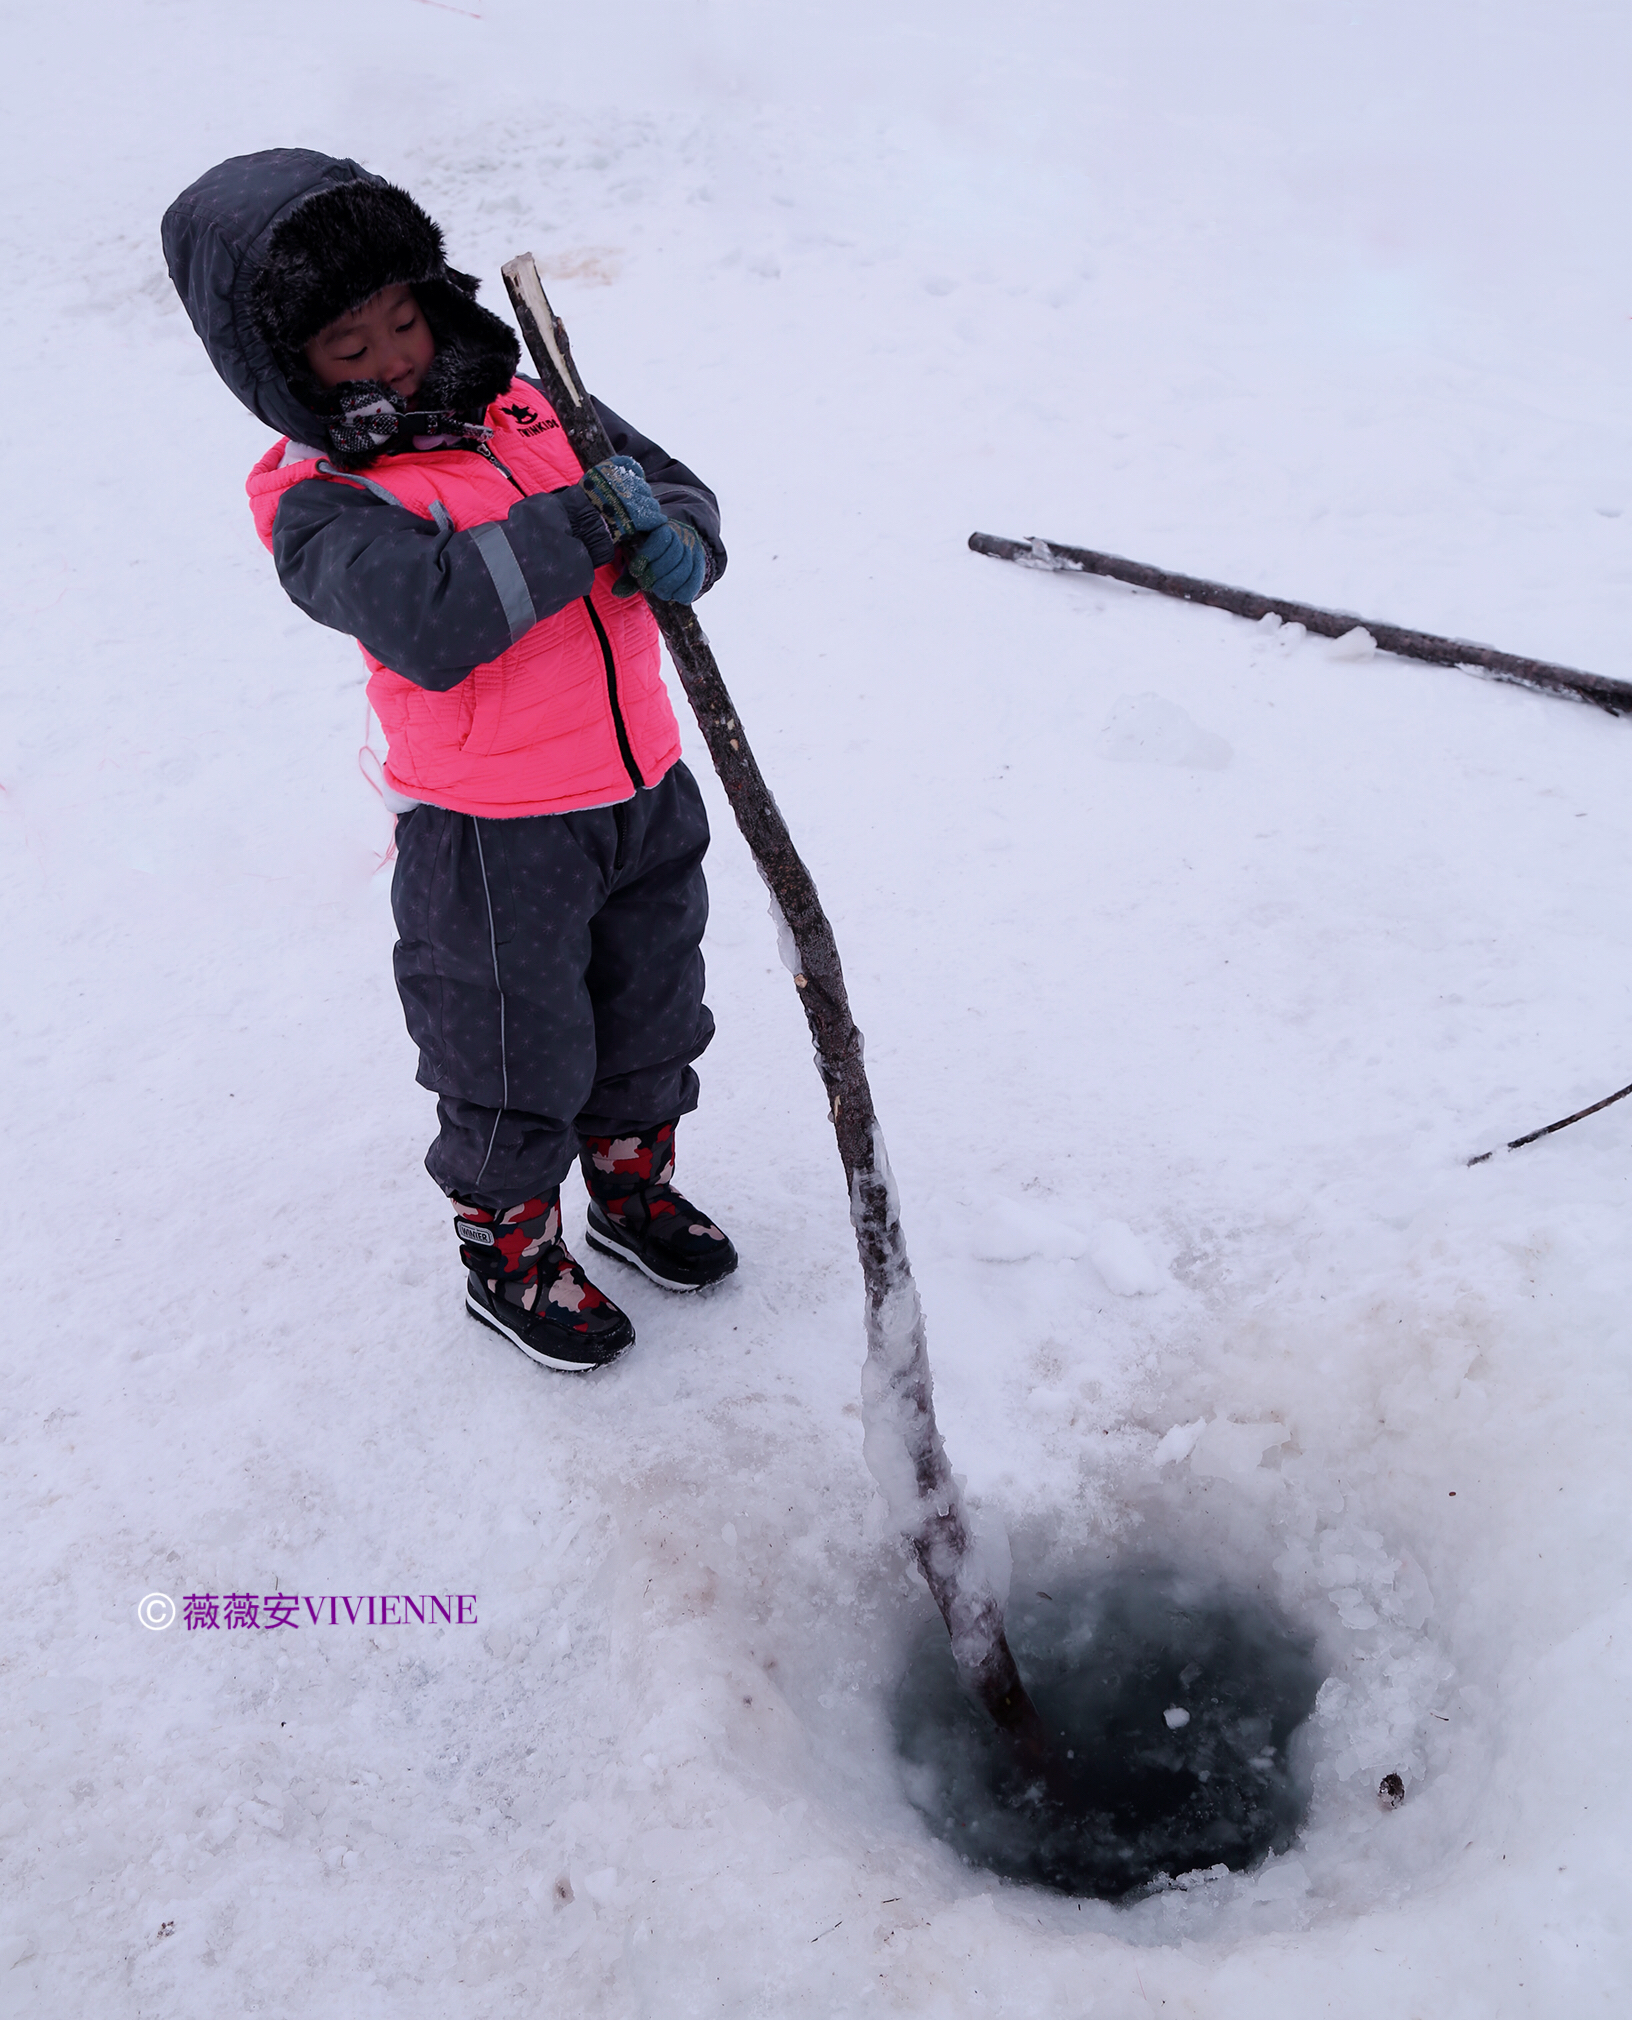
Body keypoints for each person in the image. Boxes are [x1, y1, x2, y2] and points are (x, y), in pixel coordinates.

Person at [162, 148, 737, 1373]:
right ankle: (510, 1254)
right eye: (347, 348)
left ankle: (633, 1190)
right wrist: (588, 517)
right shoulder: (324, 505)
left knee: (650, 1013)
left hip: (644, 788)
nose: (393, 358)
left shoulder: (531, 400)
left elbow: (670, 479)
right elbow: (435, 622)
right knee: (510, 1050)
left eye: (402, 319)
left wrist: (680, 533)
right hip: (494, 831)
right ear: (284, 370)